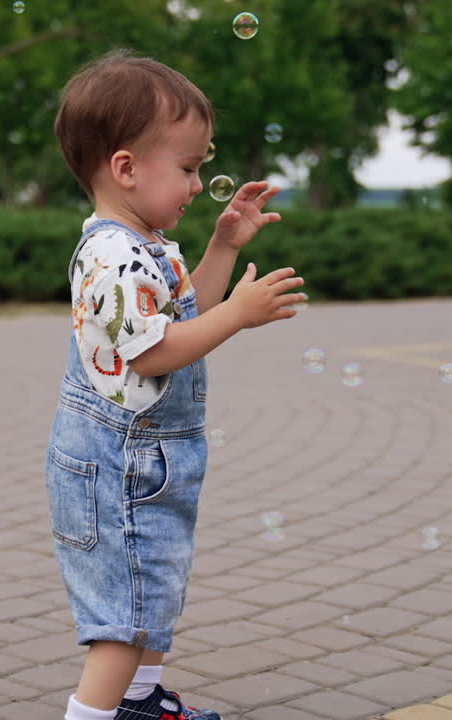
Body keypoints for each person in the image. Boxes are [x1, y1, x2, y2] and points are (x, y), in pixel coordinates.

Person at [46, 49, 306, 720]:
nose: (198, 184)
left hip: (149, 462)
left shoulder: (150, 245)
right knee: (123, 614)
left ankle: (140, 705)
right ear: (126, 168)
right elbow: (157, 352)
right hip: (121, 468)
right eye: (189, 168)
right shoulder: (114, 256)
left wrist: (223, 247)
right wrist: (237, 317)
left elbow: (183, 315)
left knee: (152, 591)